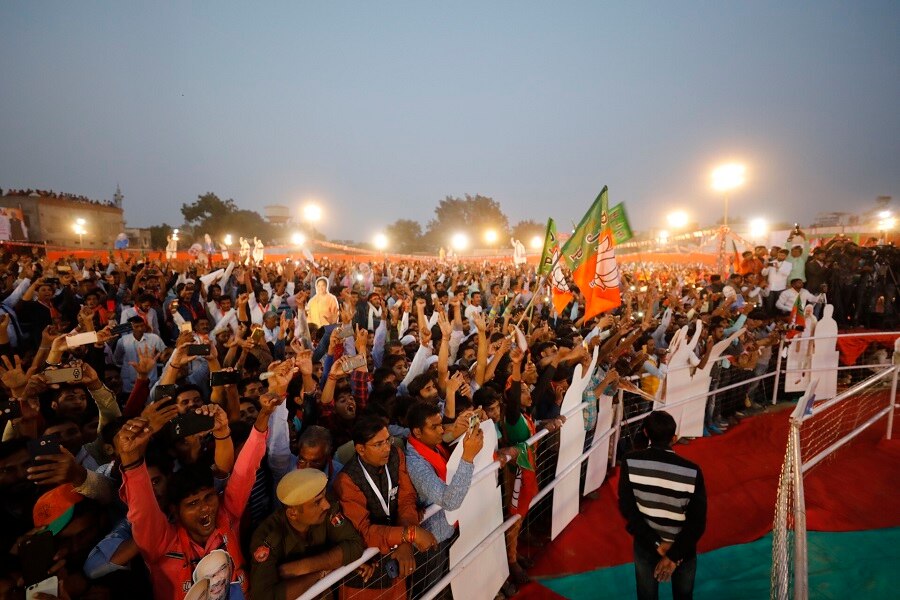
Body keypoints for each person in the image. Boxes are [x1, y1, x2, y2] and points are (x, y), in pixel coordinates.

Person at [334, 416, 437, 599]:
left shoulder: (396, 455)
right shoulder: (347, 480)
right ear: (360, 449)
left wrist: (405, 540)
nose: (387, 447)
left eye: (388, 440)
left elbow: (407, 499)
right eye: (378, 444)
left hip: (397, 559)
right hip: (365, 573)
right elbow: (364, 532)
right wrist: (409, 534)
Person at [618, 411, 707, 600]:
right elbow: (697, 523)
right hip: (683, 548)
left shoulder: (630, 462)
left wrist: (656, 544)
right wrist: (674, 555)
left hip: (646, 545)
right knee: (684, 596)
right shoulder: (692, 471)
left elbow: (628, 509)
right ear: (674, 438)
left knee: (646, 596)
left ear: (646, 433)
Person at [249, 468, 368, 600]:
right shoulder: (267, 538)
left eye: (324, 496)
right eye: (317, 502)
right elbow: (263, 597)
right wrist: (320, 573)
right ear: (293, 513)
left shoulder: (326, 512)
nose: (326, 505)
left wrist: (303, 567)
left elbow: (355, 545)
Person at [404, 401, 483, 597]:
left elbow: (447, 437)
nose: (441, 431)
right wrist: (468, 456)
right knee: (431, 590)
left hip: (449, 528)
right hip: (433, 539)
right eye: (434, 426)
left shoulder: (430, 444)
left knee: (449, 581)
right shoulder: (416, 464)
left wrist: (460, 429)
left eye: (441, 424)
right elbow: (450, 501)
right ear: (417, 432)